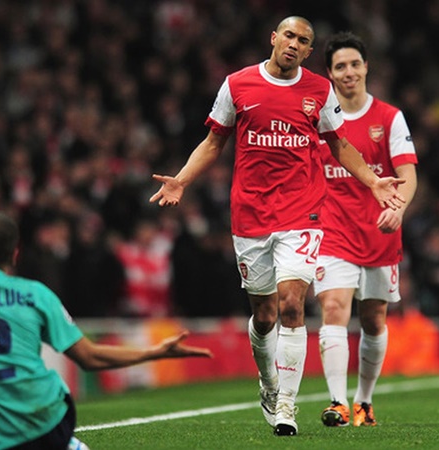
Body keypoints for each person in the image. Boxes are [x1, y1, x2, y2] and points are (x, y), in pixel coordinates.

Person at [149, 16, 405, 436]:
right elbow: (214, 142)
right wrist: (181, 180)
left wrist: (373, 181)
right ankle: (269, 382)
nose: (294, 44)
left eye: (303, 41)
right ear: (274, 38)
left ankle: (286, 404)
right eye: (289, 35)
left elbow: (339, 144)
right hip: (250, 215)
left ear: (308, 52)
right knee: (264, 315)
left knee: (291, 306)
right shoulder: (237, 85)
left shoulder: (319, 91)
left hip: (303, 212)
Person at [0, 211, 212, 450]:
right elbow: (90, 357)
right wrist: (155, 352)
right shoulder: (37, 295)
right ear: (15, 254)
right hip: (49, 426)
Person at [314, 31, 418, 428]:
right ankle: (338, 403)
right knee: (334, 308)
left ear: (366, 67)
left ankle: (364, 401)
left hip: (379, 230)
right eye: (340, 66)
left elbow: (407, 174)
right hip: (332, 231)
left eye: (355, 64)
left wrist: (398, 209)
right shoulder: (320, 120)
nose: (349, 72)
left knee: (374, 320)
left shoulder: (389, 117)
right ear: (330, 73)